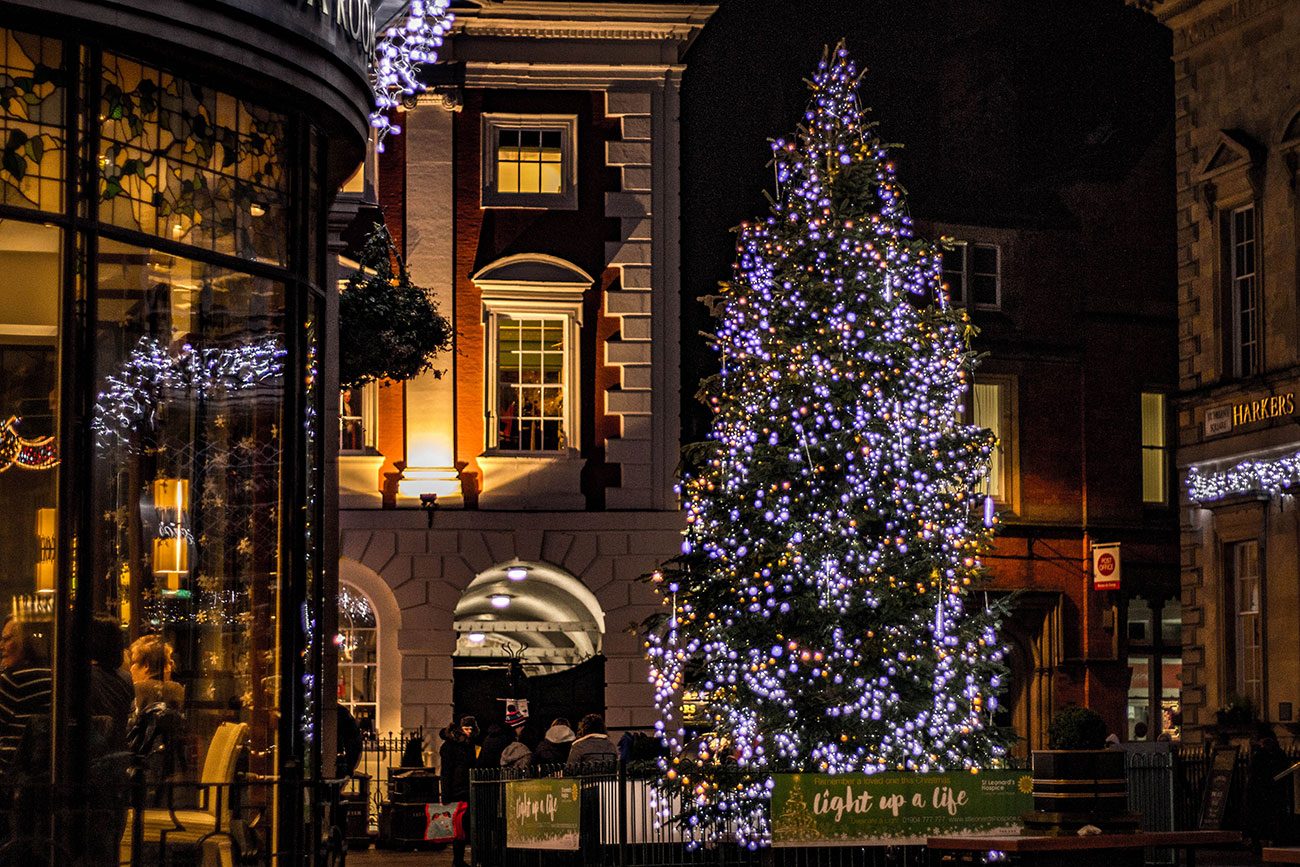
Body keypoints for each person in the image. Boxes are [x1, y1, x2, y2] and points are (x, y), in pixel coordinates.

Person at [439, 715, 477, 867]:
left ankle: (459, 859)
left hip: (465, 788)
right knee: (459, 827)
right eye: (466, 729)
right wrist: (446, 794)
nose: (468, 732)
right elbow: (446, 772)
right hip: (457, 790)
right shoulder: (450, 746)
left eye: (471, 729)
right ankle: (458, 859)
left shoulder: (469, 744)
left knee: (463, 827)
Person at [128, 634, 184, 712]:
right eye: (169, 662)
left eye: (134, 662)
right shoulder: (177, 690)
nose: (131, 669)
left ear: (146, 665)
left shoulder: (135, 690)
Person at [499, 700, 531, 770]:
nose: (523, 728)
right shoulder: (507, 742)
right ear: (515, 727)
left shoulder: (505, 738)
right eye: (521, 725)